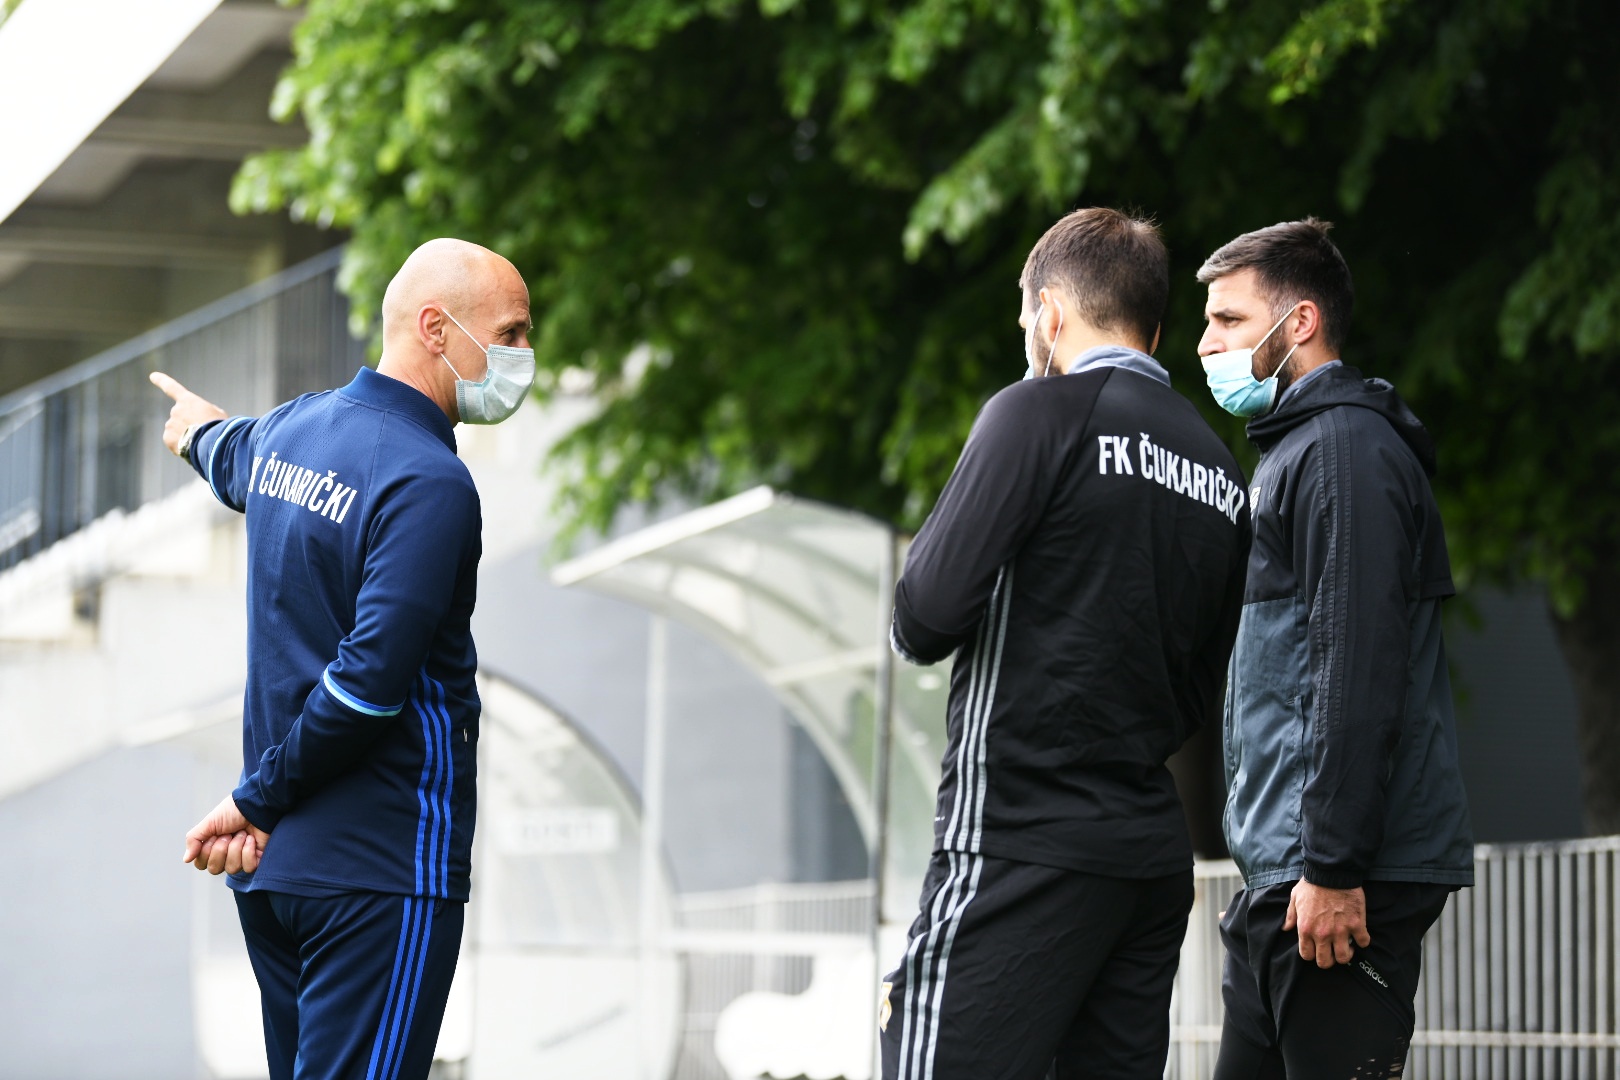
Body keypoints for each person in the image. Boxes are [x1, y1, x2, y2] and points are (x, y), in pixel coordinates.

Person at [880, 208, 1252, 1080]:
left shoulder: (1035, 415)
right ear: (1152, 327)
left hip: (1018, 838)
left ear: (1049, 313)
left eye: (1025, 318)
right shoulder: (1219, 468)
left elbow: (923, 618)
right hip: (1145, 860)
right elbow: (1206, 683)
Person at [151, 237, 534, 1080]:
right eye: (509, 333)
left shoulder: (292, 431)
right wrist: (253, 800)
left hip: (277, 875)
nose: (523, 357)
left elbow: (230, 455)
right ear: (436, 328)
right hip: (380, 873)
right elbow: (367, 690)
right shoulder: (430, 481)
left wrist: (194, 432)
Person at [1195, 218, 1474, 1079]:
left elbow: (1356, 664)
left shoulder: (1343, 450)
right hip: (1289, 879)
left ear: (1301, 322)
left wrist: (1333, 865)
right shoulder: (1300, 450)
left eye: (1230, 320)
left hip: (1335, 884)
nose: (1207, 344)